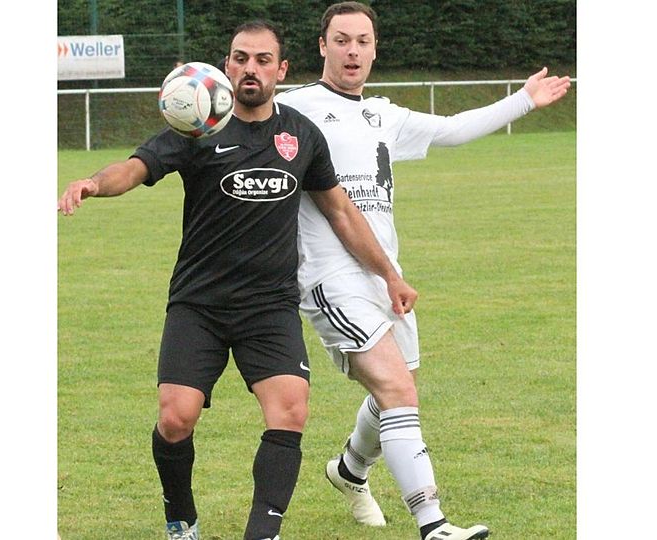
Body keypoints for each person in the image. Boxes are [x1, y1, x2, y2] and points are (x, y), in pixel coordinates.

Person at [58, 19, 417, 540]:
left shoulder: (300, 134)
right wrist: (93, 183)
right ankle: (181, 519)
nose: (251, 68)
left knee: (290, 409)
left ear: (282, 69)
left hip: (268, 307)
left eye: (263, 60)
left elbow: (340, 211)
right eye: (241, 58)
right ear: (226, 66)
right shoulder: (198, 127)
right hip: (198, 304)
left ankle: (261, 534)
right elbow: (135, 167)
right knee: (176, 418)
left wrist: (388, 275)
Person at [275, 3, 572, 540]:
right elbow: (237, 116)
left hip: (384, 273)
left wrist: (525, 100)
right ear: (322, 46)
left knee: (396, 387)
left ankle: (349, 470)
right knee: (398, 391)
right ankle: (432, 524)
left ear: (374, 49)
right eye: (341, 40)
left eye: (362, 41)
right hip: (327, 277)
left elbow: (454, 129)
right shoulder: (292, 108)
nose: (352, 51)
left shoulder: (384, 114)